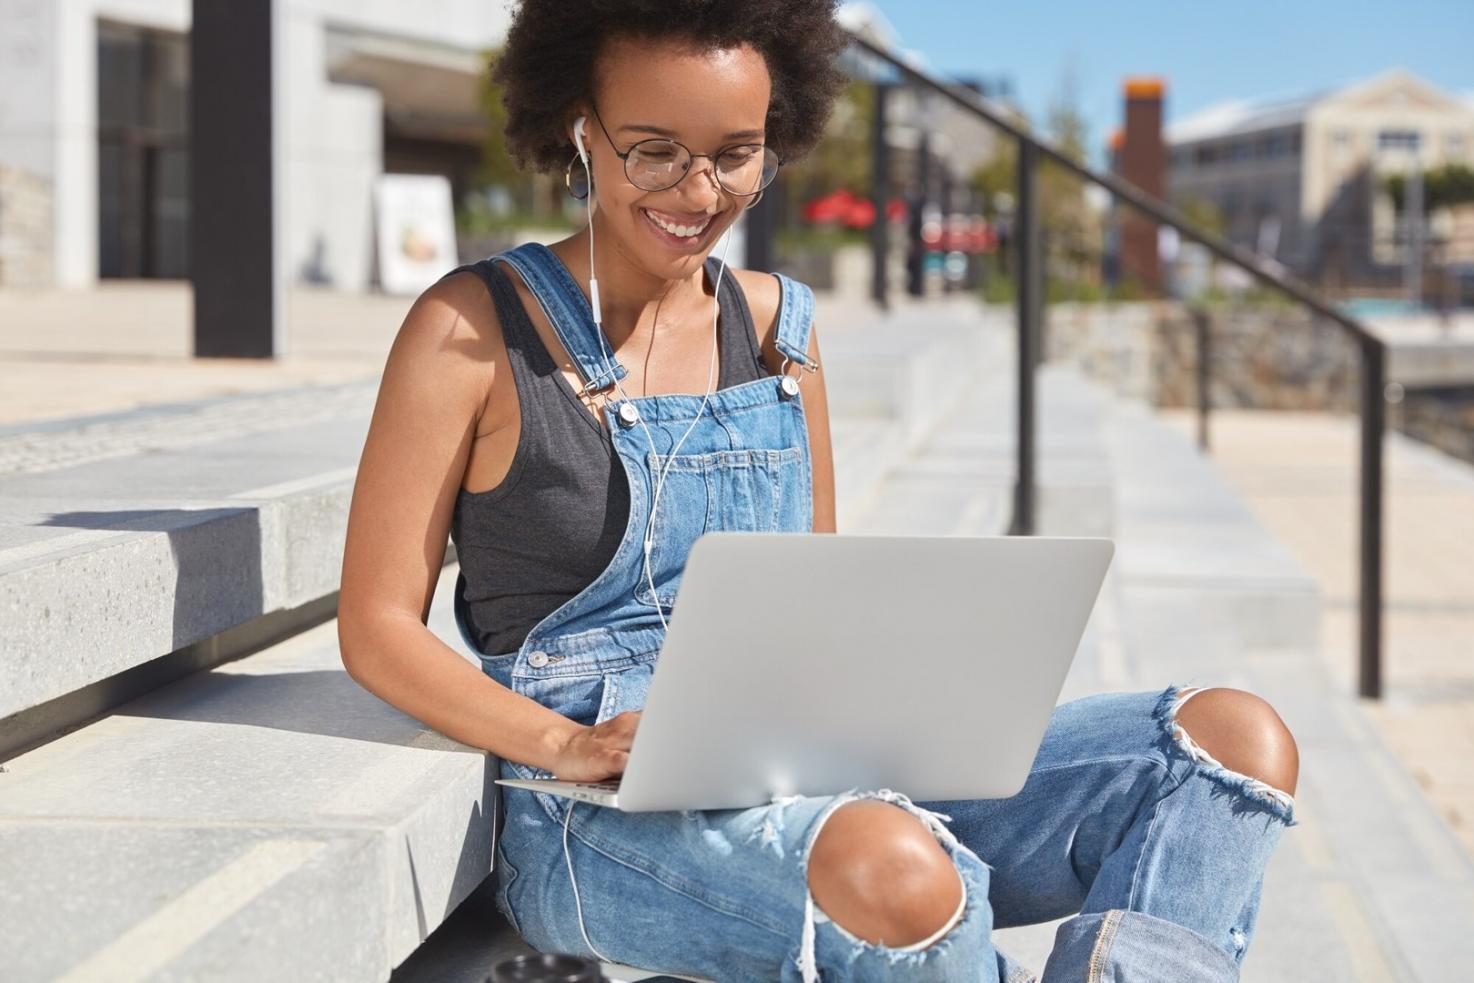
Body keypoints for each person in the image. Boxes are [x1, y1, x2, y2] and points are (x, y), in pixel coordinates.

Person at [337, 2, 1300, 979]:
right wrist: (563, 740)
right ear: (580, 127)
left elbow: (816, 599)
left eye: (735, 154)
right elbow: (376, 626)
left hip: (792, 752)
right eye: (655, 151)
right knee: (892, 865)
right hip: (592, 810)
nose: (699, 191)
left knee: (1226, 744)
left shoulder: (778, 332)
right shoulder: (467, 331)